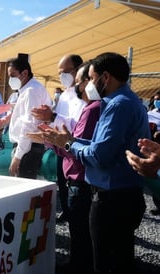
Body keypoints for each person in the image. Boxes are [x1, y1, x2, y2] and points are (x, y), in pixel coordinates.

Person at [51, 52, 149, 274]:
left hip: (112, 198)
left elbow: (98, 155)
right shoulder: (124, 101)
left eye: (91, 78)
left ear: (105, 77)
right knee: (119, 259)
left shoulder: (118, 105)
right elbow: (101, 144)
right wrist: (72, 141)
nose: (88, 85)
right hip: (123, 194)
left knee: (105, 264)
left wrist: (69, 145)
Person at [28, 61, 99, 274]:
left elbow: (76, 143)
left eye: (79, 81)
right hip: (71, 165)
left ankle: (79, 265)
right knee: (79, 225)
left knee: (81, 228)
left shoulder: (93, 108)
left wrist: (54, 141)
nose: (76, 86)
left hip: (80, 172)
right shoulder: (78, 100)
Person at [32, 54, 86, 223]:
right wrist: (48, 120)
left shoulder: (84, 95)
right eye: (60, 73)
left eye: (66, 72)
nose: (62, 76)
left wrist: (54, 116)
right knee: (61, 180)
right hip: (59, 145)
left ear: (78, 70)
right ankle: (66, 209)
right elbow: (57, 118)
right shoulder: (64, 95)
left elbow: (77, 123)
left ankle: (76, 214)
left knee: (75, 185)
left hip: (75, 146)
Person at [7, 54, 53, 178]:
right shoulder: (29, 89)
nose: (10, 79)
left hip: (28, 149)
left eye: (13, 75)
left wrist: (18, 156)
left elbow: (28, 126)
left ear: (24, 73)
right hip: (28, 147)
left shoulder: (31, 91)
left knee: (21, 189)